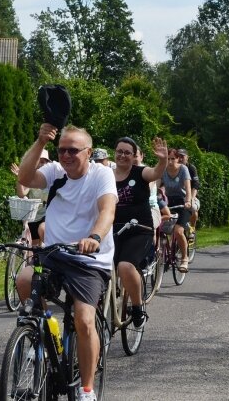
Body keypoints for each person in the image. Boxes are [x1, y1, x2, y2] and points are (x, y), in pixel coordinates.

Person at [16, 123, 116, 401]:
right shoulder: (54, 172)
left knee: (84, 321)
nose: (66, 155)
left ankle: (86, 389)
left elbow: (107, 210)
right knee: (23, 280)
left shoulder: (102, 174)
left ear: (89, 152)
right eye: (62, 150)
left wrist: (95, 236)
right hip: (54, 254)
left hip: (88, 259)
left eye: (73, 150)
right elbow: (25, 176)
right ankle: (45, 331)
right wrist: (39, 142)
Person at [112, 136, 167, 329]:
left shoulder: (140, 173)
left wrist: (162, 160)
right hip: (112, 230)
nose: (123, 155)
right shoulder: (107, 175)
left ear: (135, 156)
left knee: (125, 267)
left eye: (128, 152)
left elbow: (156, 172)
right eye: (120, 151)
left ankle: (137, 306)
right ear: (115, 153)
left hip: (139, 230)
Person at [160, 149, 193, 272]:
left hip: (183, 202)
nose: (169, 161)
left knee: (178, 231)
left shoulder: (183, 169)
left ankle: (184, 258)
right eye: (168, 159)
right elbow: (157, 185)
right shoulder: (163, 169)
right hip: (168, 202)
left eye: (172, 159)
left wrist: (188, 201)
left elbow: (188, 187)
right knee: (159, 229)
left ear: (178, 159)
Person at [9, 149, 51, 244]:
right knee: (35, 249)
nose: (42, 164)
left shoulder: (51, 177)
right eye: (39, 161)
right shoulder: (32, 177)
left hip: (46, 216)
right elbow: (21, 194)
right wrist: (19, 178)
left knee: (43, 231)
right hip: (33, 216)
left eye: (44, 161)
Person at [177, 149, 200, 230]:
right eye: (178, 156)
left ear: (187, 158)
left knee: (193, 208)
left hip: (190, 195)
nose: (180, 159)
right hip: (176, 196)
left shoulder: (191, 168)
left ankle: (192, 229)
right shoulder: (172, 168)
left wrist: (192, 198)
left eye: (182, 156)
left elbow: (196, 185)